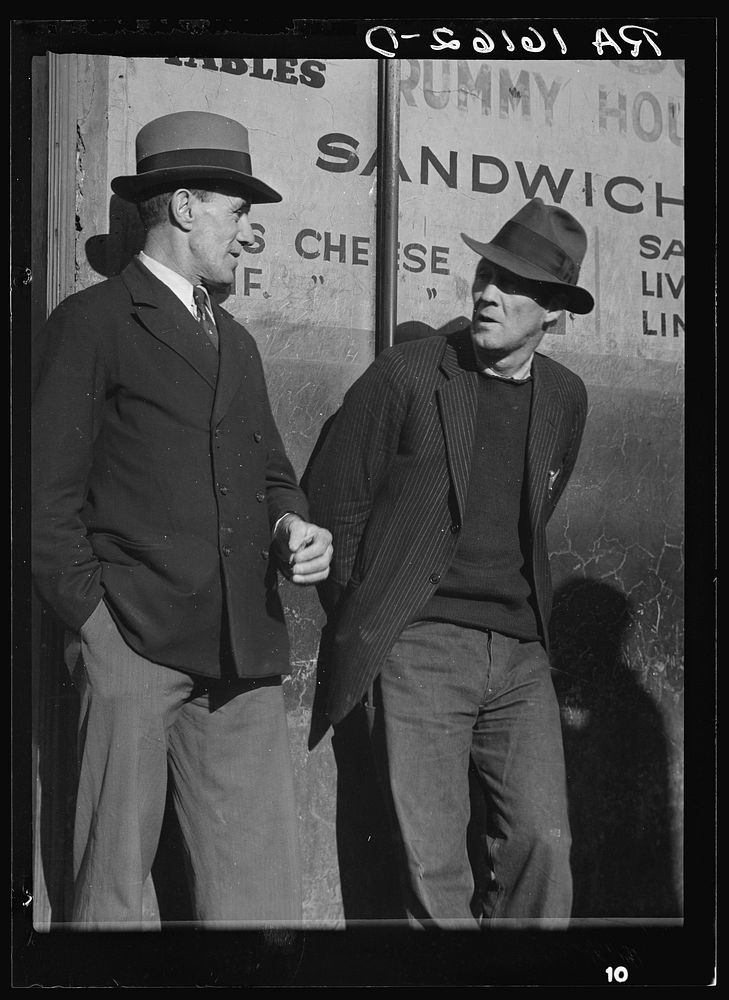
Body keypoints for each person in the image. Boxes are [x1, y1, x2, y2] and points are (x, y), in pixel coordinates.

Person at [31, 110, 333, 928]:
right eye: (238, 211)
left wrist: (289, 528)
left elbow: (273, 475)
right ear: (187, 206)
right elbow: (42, 501)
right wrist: (96, 627)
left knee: (258, 900)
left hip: (241, 648)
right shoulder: (91, 323)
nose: (247, 231)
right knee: (112, 895)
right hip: (130, 640)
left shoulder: (235, 340)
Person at [304, 198, 594, 928]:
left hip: (522, 653)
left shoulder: (564, 397)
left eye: (515, 284)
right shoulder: (407, 374)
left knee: (542, 846)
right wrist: (382, 617)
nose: (488, 292)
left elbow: (534, 507)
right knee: (429, 869)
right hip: (420, 643)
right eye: (486, 272)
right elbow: (333, 505)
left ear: (554, 312)